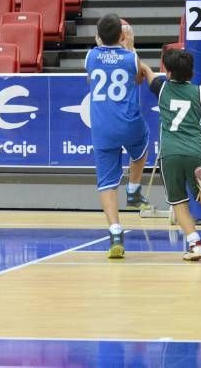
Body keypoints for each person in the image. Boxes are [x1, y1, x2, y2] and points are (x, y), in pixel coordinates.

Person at [141, 49, 201, 261]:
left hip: (170, 153)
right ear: (192, 73)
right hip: (196, 150)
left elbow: (147, 73)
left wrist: (140, 62)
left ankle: (195, 243)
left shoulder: (162, 87)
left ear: (167, 72)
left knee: (178, 202)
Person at [85, 13, 150, 259]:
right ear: (123, 36)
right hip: (128, 123)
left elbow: (90, 79)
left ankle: (114, 232)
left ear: (98, 37)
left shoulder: (91, 56)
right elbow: (139, 80)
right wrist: (130, 47)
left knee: (107, 182)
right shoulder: (131, 57)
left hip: (102, 126)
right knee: (142, 143)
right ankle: (133, 188)